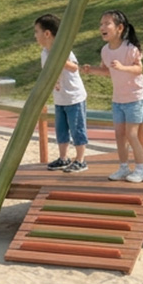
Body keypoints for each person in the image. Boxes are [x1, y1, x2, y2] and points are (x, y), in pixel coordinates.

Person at [82, 9, 143, 183]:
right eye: (101, 24)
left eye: (107, 24)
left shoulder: (130, 48)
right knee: (119, 135)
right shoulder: (105, 50)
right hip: (118, 99)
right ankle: (124, 168)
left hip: (135, 97)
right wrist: (92, 70)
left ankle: (141, 170)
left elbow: (139, 69)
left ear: (120, 28)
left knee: (132, 135)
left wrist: (123, 67)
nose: (102, 27)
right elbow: (107, 71)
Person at [32, 14, 89, 172]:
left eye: (37, 31)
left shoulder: (63, 49)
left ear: (47, 33)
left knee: (77, 128)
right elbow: (47, 72)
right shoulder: (44, 53)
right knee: (61, 129)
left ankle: (80, 159)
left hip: (74, 97)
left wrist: (60, 60)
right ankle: (63, 158)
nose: (35, 36)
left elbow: (74, 67)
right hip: (59, 98)